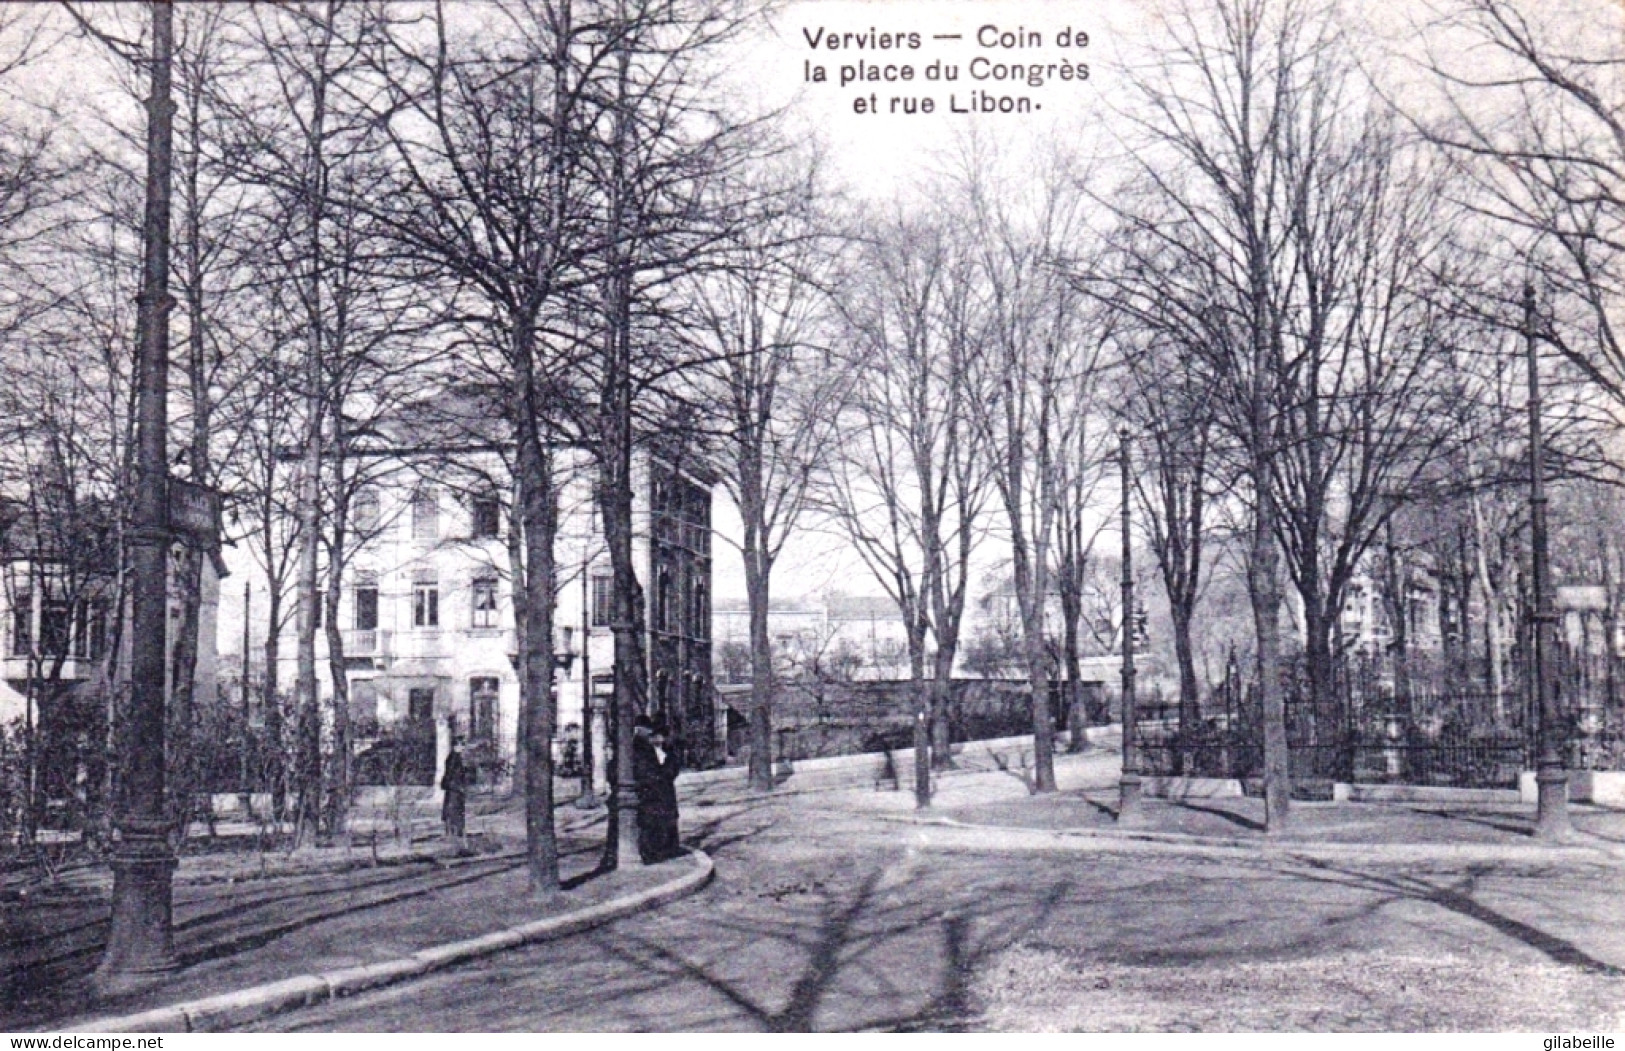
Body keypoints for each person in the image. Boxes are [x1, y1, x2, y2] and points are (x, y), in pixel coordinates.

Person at [632, 714, 682, 863]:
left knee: (663, 819)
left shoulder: (657, 748)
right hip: (652, 790)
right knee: (653, 822)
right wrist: (665, 771)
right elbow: (648, 771)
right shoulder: (642, 747)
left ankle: (664, 849)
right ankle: (654, 852)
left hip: (659, 789)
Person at [441, 741, 470, 843]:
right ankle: (455, 832)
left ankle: (454, 831)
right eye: (461, 745)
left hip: (454, 788)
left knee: (454, 810)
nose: (462, 748)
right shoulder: (454, 758)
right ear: (455, 746)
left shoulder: (454, 757)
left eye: (463, 746)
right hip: (455, 788)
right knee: (455, 810)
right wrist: (458, 786)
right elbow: (451, 774)